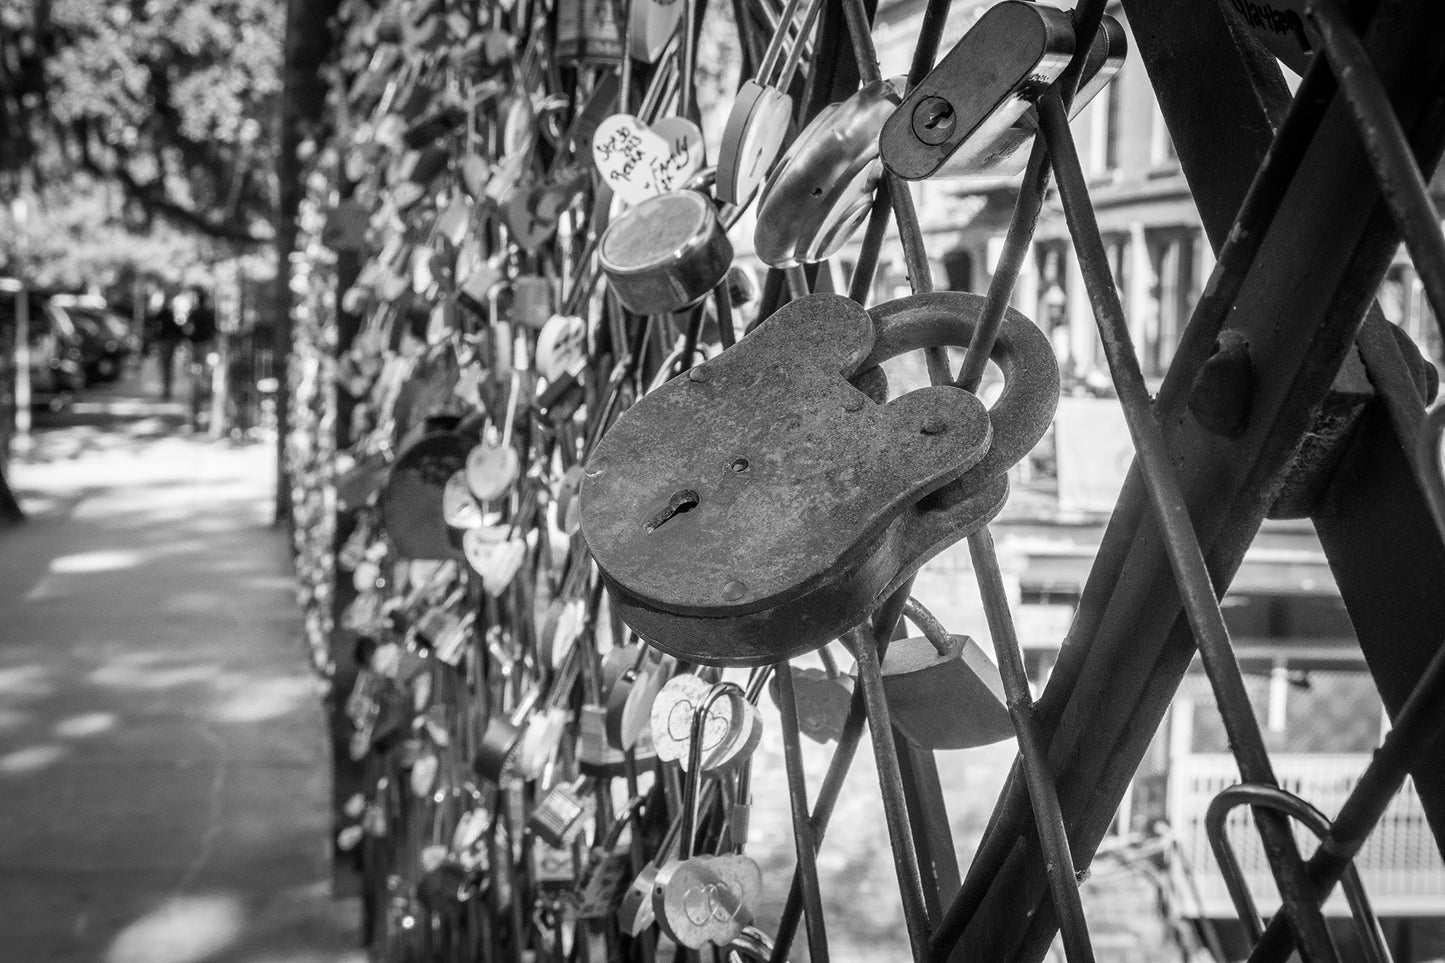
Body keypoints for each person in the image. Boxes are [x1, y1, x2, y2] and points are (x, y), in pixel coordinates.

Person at [151, 293, 184, 400]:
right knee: (167, 366)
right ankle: (167, 389)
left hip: (165, 342)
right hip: (167, 342)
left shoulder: (164, 314)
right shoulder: (167, 314)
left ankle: (167, 390)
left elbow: (155, 327)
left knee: (166, 366)